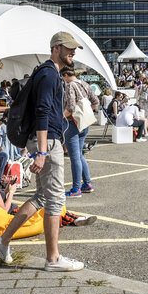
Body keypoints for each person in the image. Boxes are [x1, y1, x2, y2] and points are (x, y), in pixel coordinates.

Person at [0, 31, 85, 272]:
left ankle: (3, 241)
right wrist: (42, 151)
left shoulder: (48, 72)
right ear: (56, 48)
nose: (73, 52)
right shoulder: (49, 74)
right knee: (55, 199)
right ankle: (53, 259)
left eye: (74, 49)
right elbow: (42, 111)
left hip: (47, 140)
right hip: (46, 142)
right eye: (68, 48)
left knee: (43, 197)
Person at [62, 66, 99, 197]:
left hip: (73, 124)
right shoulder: (84, 83)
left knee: (74, 158)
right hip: (85, 123)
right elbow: (95, 102)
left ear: (66, 75)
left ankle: (76, 188)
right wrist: (86, 112)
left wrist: (61, 116)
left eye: (63, 77)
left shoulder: (69, 86)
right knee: (79, 155)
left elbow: (71, 108)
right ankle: (87, 183)